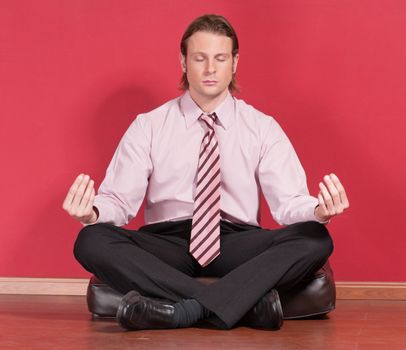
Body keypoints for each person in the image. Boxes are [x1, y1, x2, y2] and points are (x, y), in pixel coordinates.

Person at [63, 14, 349, 331]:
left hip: (237, 242)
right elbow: (119, 200)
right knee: (91, 239)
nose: (210, 69)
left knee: (315, 238)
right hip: (167, 243)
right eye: (200, 58)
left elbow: (289, 202)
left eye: (220, 58)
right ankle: (243, 307)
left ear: (234, 63)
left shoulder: (262, 128)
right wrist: (92, 213)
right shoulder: (149, 126)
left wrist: (318, 211)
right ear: (184, 62)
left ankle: (183, 311)